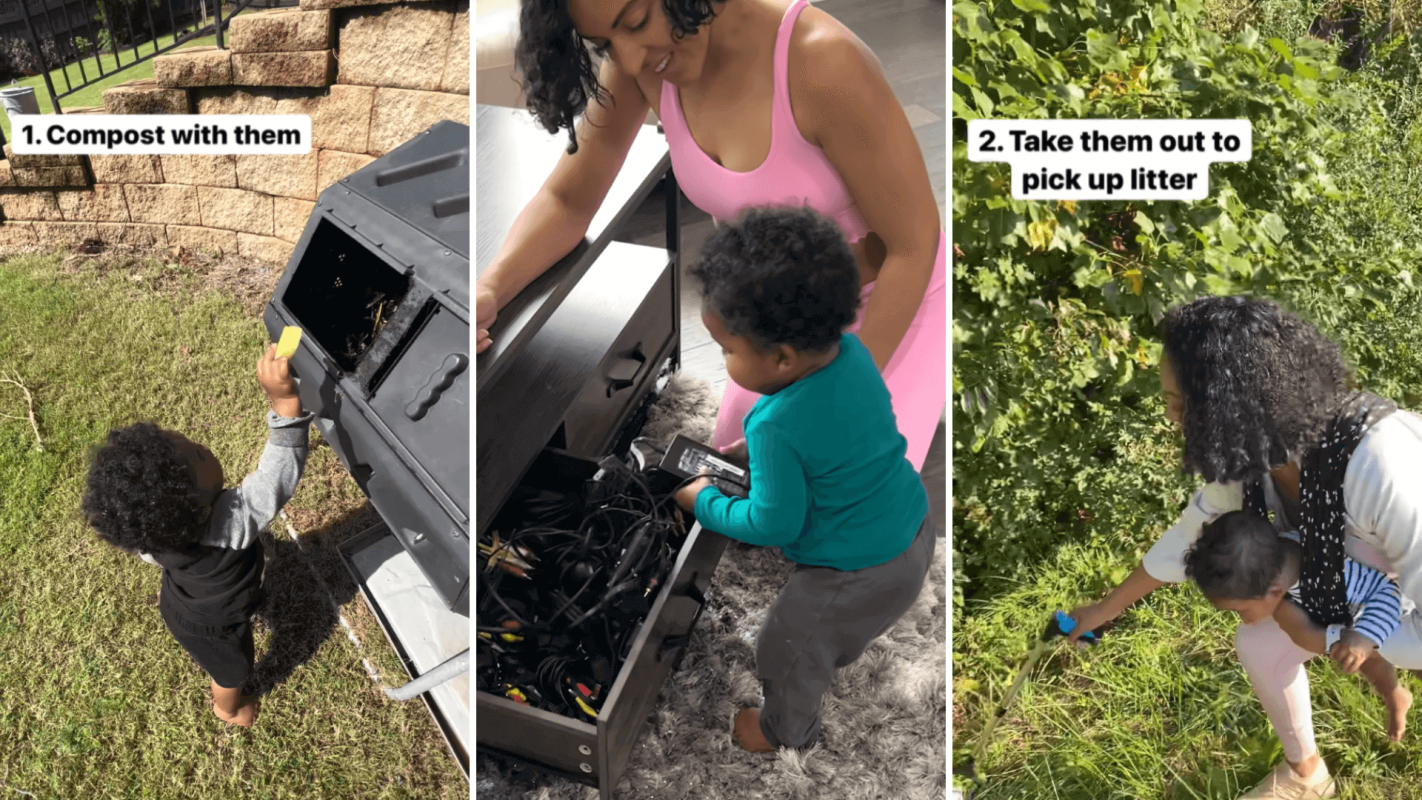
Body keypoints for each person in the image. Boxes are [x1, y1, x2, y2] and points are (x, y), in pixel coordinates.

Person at [478, 0, 946, 469]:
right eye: (603, 43)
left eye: (637, 22)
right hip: (777, 316)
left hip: (888, 296)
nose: (631, 57)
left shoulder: (824, 62)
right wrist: (491, 288)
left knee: (839, 506)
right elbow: (569, 201)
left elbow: (912, 244)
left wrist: (830, 401)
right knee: (740, 472)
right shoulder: (640, 62)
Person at [1066, 295, 1422, 800]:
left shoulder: (1382, 467)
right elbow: (1193, 530)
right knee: (1259, 645)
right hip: (1368, 581)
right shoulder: (1255, 454)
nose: (1171, 417)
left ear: (1237, 404)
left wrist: (1324, 633)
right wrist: (1105, 609)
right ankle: (1307, 776)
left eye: (1180, 404)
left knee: (1289, 629)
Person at [670, 207, 934, 752]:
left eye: (727, 350)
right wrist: (754, 455)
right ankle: (843, 637)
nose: (723, 361)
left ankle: (783, 731)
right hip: (912, 529)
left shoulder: (775, 422)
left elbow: (773, 521)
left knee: (786, 649)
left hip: (853, 571)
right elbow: (839, 436)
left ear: (783, 359)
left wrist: (704, 502)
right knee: (837, 632)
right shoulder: (854, 354)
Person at [82, 345, 312, 727]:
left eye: (190, 443)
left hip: (179, 604)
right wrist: (285, 402)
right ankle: (227, 709)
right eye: (201, 456)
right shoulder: (229, 526)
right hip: (215, 626)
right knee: (232, 672)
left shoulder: (152, 537)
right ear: (199, 509)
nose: (203, 446)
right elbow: (277, 476)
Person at [1184, 510, 1417, 743]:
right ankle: (1395, 695)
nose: (1243, 619)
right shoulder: (1278, 557)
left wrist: (1365, 636)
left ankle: (1393, 694)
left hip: (1388, 621)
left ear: (1274, 591)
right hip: (1343, 622)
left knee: (1376, 663)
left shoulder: (1331, 575)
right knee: (1360, 661)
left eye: (1241, 611)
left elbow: (1391, 591)